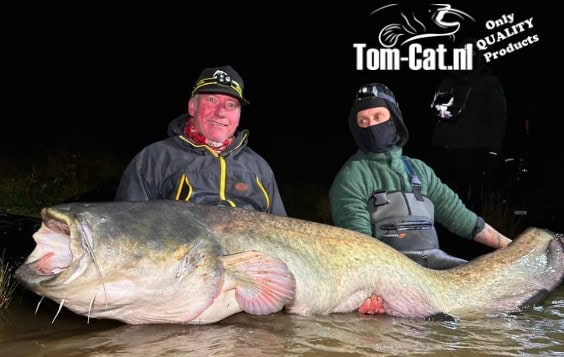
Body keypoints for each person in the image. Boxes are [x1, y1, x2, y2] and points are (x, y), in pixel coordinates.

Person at [329, 82, 511, 272]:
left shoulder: (419, 170)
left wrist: (511, 246)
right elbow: (359, 245)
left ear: (394, 119)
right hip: (390, 274)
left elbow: (463, 220)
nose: (372, 125)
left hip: (435, 269)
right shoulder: (352, 176)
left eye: (378, 116)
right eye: (363, 121)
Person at [115, 65, 287, 216]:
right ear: (192, 106)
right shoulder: (154, 159)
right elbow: (127, 227)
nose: (221, 112)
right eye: (212, 100)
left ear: (239, 115)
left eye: (231, 104)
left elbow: (284, 235)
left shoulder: (259, 168)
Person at [428, 37, 508, 212]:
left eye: (470, 53)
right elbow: (433, 111)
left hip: (472, 152)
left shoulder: (489, 83)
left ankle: (468, 237)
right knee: (439, 200)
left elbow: (498, 118)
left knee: (469, 203)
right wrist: (442, 110)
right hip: (442, 149)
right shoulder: (447, 82)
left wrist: (493, 152)